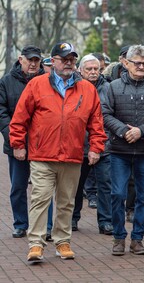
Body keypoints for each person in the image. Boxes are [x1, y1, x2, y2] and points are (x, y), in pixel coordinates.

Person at [9, 42, 107, 261]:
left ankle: (62, 242)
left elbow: (96, 123)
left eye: (72, 59)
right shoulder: (36, 85)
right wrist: (18, 144)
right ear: (53, 61)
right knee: (40, 199)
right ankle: (36, 243)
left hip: (73, 156)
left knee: (66, 202)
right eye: (64, 59)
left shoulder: (87, 89)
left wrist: (96, 148)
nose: (69, 63)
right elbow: (20, 118)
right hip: (42, 155)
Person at [102, 44, 144, 256]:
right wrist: (123, 131)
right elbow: (105, 114)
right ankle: (119, 237)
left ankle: (137, 238)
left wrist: (142, 131)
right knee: (117, 193)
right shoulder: (113, 87)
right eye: (136, 63)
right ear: (126, 63)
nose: (140, 67)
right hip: (119, 149)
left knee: (143, 198)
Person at [0, 45, 45, 239]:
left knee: (43, 187)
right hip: (17, 143)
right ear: (21, 60)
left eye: (37, 60)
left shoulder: (48, 80)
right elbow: (2, 112)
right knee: (18, 186)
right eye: (30, 60)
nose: (33, 64)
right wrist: (15, 140)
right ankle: (20, 223)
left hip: (43, 144)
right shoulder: (7, 82)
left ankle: (43, 226)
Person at [71, 54, 113, 235]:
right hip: (78, 147)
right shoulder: (73, 87)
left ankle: (105, 221)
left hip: (103, 146)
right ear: (80, 71)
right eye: (89, 69)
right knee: (75, 186)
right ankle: (72, 219)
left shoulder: (109, 88)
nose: (93, 72)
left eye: (96, 69)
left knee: (105, 185)